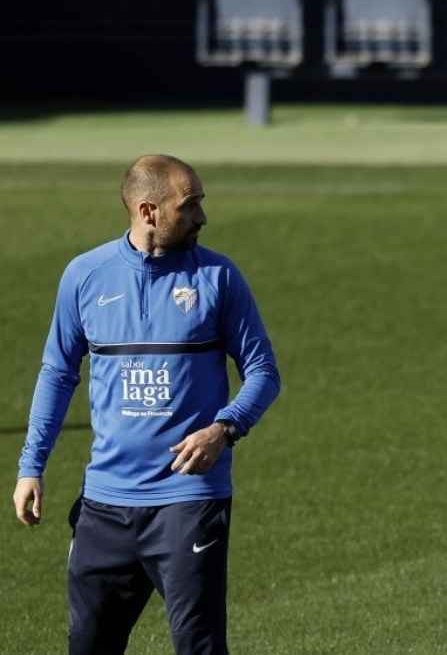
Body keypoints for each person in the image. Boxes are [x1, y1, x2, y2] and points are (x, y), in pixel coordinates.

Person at [12, 155, 282, 654]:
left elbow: (264, 372)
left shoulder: (219, 278)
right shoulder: (85, 276)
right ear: (148, 210)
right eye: (190, 204)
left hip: (189, 502)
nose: (202, 216)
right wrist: (32, 466)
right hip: (105, 506)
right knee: (89, 645)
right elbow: (57, 373)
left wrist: (224, 429)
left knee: (198, 647)